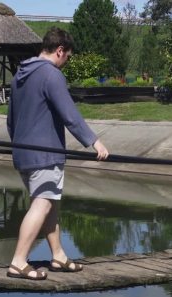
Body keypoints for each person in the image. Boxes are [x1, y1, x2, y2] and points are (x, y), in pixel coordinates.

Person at [6, 27, 109, 280]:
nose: (67, 62)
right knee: (42, 203)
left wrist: (19, 144)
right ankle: (18, 261)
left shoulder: (20, 74)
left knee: (49, 203)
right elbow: (69, 114)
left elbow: (10, 120)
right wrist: (94, 142)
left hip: (23, 152)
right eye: (68, 57)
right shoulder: (51, 75)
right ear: (60, 50)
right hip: (45, 153)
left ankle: (59, 256)